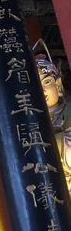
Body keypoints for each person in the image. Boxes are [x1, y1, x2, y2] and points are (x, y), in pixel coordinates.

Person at [34, 39, 71, 193]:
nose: (41, 90)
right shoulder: (29, 120)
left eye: (47, 82)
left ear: (58, 84)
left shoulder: (68, 111)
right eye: (35, 85)